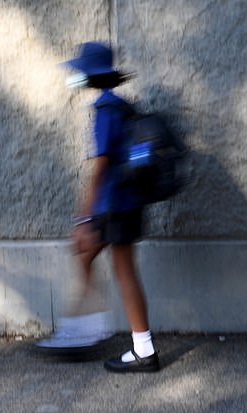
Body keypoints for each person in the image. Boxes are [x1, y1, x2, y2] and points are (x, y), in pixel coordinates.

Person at [38, 42, 159, 373]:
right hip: (125, 203)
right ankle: (84, 330)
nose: (75, 77)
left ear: (90, 76)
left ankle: (142, 350)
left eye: (79, 72)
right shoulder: (120, 106)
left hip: (116, 206)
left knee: (122, 271)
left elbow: (101, 168)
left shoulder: (105, 111)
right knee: (87, 256)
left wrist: (84, 218)